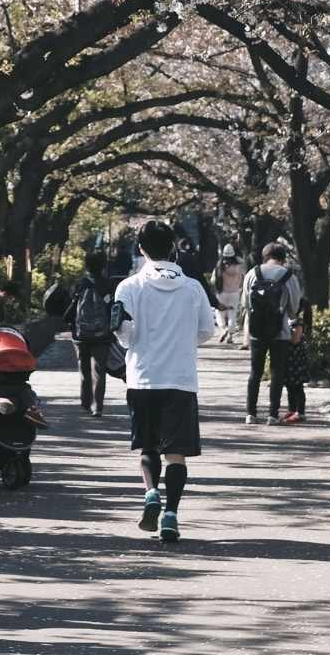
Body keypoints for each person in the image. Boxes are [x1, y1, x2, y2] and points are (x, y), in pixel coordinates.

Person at [114, 218, 218, 543]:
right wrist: (182, 342)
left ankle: (150, 495)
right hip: (181, 378)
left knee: (148, 446)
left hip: (142, 377)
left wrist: (134, 338)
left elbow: (124, 334)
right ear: (172, 246)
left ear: (141, 248)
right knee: (176, 453)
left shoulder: (129, 286)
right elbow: (207, 331)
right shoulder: (192, 287)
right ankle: (171, 514)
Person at [241, 242, 306, 425]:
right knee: (277, 373)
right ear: (283, 258)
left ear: (264, 256)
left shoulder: (252, 273)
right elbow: (294, 309)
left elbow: (246, 304)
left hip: (256, 332)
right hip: (280, 333)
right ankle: (272, 414)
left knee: (255, 372)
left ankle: (250, 414)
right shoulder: (288, 276)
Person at [66, 249, 115, 416]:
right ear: (103, 265)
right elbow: (112, 308)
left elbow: (71, 308)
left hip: (81, 334)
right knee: (99, 371)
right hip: (102, 335)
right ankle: (97, 407)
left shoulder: (80, 284)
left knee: (84, 370)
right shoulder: (108, 284)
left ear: (86, 265)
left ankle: (85, 403)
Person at [213, 245, 244, 344]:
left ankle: (223, 329)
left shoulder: (220, 265)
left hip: (222, 293)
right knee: (232, 314)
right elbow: (243, 276)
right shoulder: (239, 265)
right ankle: (230, 336)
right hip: (234, 293)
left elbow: (213, 279)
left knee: (220, 313)